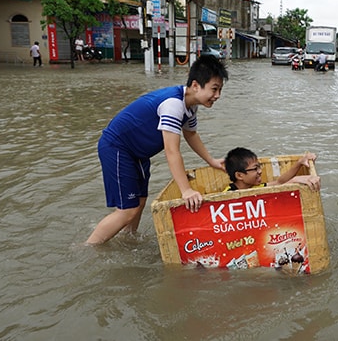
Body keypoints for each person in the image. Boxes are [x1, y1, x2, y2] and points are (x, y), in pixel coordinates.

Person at [86, 56, 228, 245]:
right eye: (214, 89)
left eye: (220, 90)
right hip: (117, 147)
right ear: (195, 85)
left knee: (140, 201)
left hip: (138, 153)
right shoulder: (173, 105)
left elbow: (191, 135)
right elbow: (171, 151)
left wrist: (211, 161)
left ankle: (127, 240)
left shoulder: (190, 106)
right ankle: (88, 248)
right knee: (127, 210)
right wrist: (185, 190)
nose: (217, 95)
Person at [223, 147, 321, 192]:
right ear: (239, 175)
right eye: (255, 169)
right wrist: (295, 180)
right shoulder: (229, 193)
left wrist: (299, 163)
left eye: (259, 167)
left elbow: (279, 182)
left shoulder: (253, 187)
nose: (260, 171)